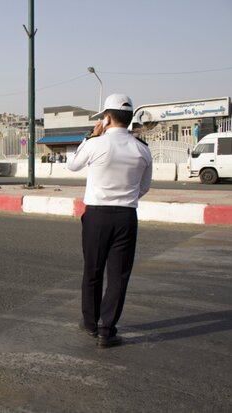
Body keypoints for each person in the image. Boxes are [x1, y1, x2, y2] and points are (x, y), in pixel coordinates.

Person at [67, 93, 152, 348]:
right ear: (130, 119)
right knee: (118, 276)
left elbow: (72, 165)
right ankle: (107, 330)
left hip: (97, 216)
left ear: (106, 118)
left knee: (93, 270)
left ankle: (90, 323)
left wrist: (91, 136)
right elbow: (144, 188)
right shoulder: (142, 149)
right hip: (126, 216)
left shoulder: (96, 144)